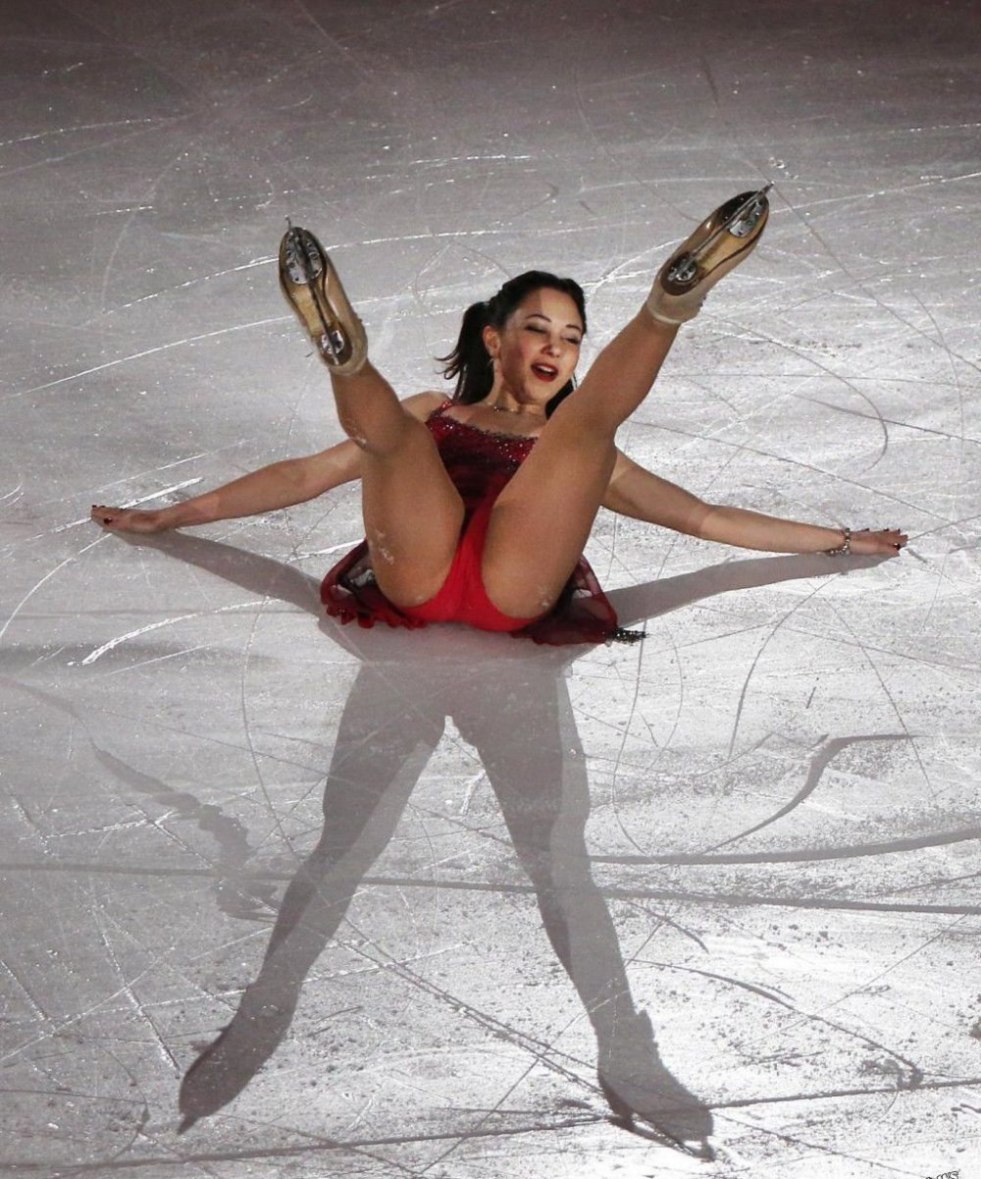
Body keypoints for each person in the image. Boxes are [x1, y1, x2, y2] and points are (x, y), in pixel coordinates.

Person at [91, 189, 907, 643]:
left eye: (574, 337)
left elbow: (700, 517)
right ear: (494, 338)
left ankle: (668, 304)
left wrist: (835, 540)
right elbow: (304, 475)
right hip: (419, 561)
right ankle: (345, 355)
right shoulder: (432, 413)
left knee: (582, 431)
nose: (556, 347)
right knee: (394, 433)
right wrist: (177, 514)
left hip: (512, 578)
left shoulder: (571, 446)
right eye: (537, 329)